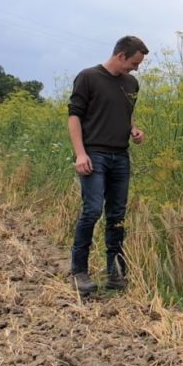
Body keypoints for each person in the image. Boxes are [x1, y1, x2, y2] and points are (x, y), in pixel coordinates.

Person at [67, 35, 148, 295]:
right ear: (121, 55)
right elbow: (74, 117)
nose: (136, 68)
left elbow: (125, 115)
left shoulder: (131, 83)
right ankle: (79, 271)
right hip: (94, 155)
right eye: (134, 62)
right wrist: (80, 154)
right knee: (92, 211)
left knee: (117, 216)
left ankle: (115, 273)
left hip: (120, 157)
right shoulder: (88, 77)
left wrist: (134, 130)